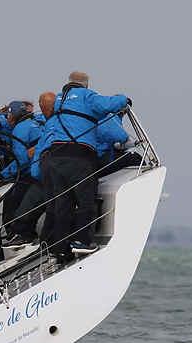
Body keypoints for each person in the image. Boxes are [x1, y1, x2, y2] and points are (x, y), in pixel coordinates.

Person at [43, 71, 129, 262]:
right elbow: (110, 104)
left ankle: (60, 248)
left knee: (62, 205)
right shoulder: (86, 96)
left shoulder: (59, 100)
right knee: (85, 201)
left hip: (56, 157)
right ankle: (82, 242)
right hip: (79, 157)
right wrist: (124, 98)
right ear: (86, 85)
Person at [1, 99, 46, 246]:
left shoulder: (20, 129)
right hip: (46, 167)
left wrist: (3, 174)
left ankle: (20, 234)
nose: (7, 119)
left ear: (13, 115)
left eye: (8, 116)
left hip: (33, 171)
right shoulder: (36, 123)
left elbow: (22, 160)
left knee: (11, 201)